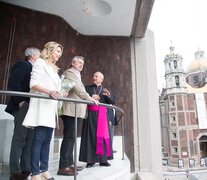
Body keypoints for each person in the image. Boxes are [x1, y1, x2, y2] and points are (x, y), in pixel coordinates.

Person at [22, 41, 63, 180]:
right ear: (50, 50)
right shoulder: (40, 62)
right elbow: (33, 84)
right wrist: (50, 91)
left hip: (51, 107)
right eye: (58, 51)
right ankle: (35, 173)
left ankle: (44, 169)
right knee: (38, 139)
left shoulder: (54, 69)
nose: (59, 54)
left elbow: (55, 88)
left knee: (47, 139)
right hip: (41, 105)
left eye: (60, 52)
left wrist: (60, 93)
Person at [57, 56, 98, 176]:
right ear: (72, 63)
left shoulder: (77, 74)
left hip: (76, 111)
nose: (81, 65)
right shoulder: (69, 73)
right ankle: (63, 166)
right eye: (79, 62)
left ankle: (69, 164)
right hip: (70, 110)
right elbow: (78, 89)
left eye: (82, 63)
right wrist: (90, 98)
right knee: (69, 138)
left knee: (72, 138)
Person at [5, 47, 40, 180]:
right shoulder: (23, 65)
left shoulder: (36, 70)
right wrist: (20, 101)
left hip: (32, 107)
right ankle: (15, 172)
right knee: (20, 138)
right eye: (39, 55)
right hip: (23, 106)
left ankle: (26, 170)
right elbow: (14, 83)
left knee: (29, 139)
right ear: (31, 56)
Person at [79, 71, 115, 168]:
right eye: (93, 76)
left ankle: (103, 160)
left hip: (102, 116)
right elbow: (82, 98)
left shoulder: (105, 90)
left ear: (101, 79)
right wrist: (90, 97)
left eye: (96, 76)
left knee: (103, 137)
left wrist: (109, 96)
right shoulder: (87, 88)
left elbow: (113, 102)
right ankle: (90, 160)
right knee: (90, 136)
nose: (94, 77)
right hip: (90, 115)